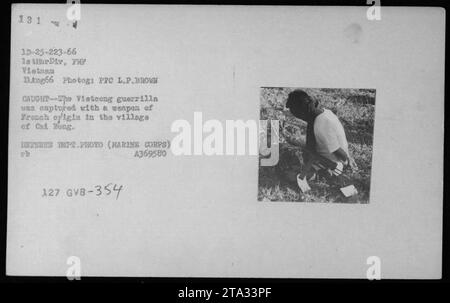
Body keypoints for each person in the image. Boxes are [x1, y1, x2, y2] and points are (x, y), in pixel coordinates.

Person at [284, 89, 356, 181]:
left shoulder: (322, 124)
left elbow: (337, 150)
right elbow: (310, 145)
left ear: (302, 114)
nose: (300, 119)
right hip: (325, 155)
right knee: (297, 143)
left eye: (298, 116)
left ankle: (320, 175)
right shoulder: (323, 113)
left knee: (289, 175)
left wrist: (348, 160)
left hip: (333, 164)